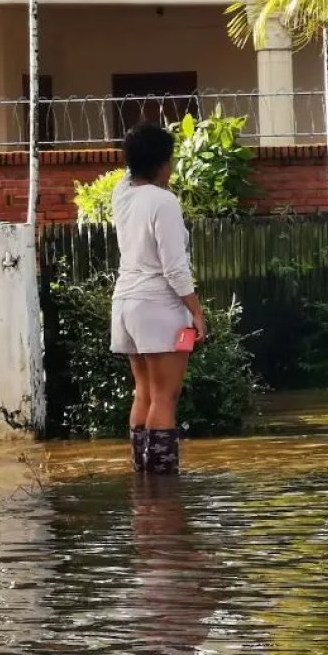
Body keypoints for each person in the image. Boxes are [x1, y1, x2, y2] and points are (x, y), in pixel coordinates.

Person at [110, 122, 207, 475]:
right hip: (158, 305)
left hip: (125, 305)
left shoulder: (122, 196)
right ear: (164, 163)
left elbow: (129, 170)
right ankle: (163, 491)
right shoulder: (163, 202)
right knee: (166, 397)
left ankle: (142, 481)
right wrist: (196, 313)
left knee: (145, 393)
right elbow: (175, 269)